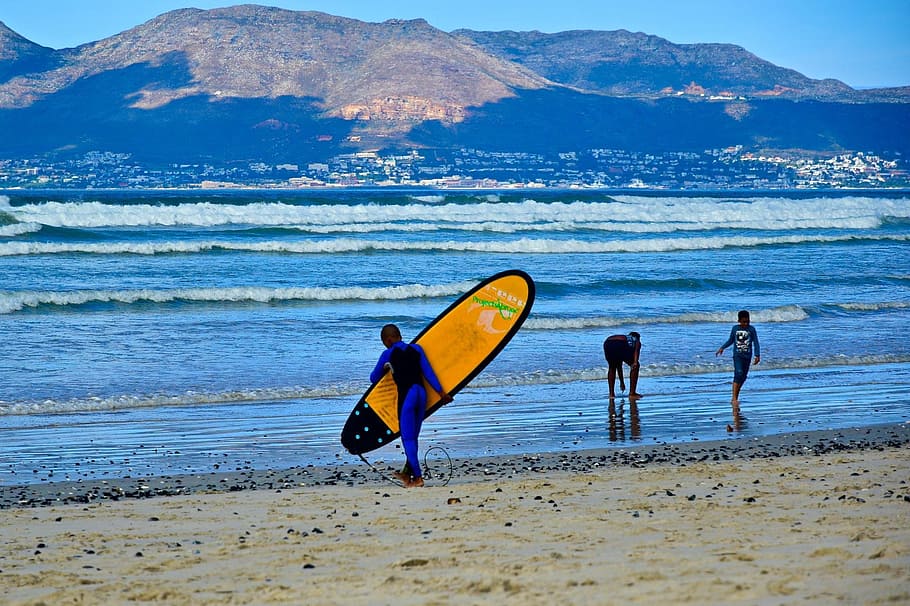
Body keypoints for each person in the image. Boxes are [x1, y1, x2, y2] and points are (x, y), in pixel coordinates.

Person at [370, 324, 451, 488]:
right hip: (422, 395)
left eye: (384, 342)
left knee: (408, 439)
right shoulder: (417, 349)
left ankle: (418, 478)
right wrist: (442, 394)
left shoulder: (388, 354)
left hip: (407, 397)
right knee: (413, 437)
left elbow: (373, 378)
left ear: (389, 339)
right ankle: (407, 473)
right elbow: (428, 372)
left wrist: (386, 368)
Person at [716, 310, 761, 405]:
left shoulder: (751, 329)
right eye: (744, 322)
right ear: (739, 321)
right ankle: (734, 398)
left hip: (747, 355)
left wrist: (757, 355)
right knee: (738, 373)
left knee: (743, 376)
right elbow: (731, 340)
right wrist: (722, 348)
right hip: (737, 355)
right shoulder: (735, 329)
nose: (746, 324)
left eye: (747, 321)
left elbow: (756, 342)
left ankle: (737, 395)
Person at [603, 331, 642, 400]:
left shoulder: (625, 338)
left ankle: (611, 394)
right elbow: (636, 350)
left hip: (607, 343)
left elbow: (619, 366)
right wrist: (635, 362)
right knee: (636, 366)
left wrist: (622, 382)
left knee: (612, 367)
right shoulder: (635, 339)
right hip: (620, 343)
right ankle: (632, 393)